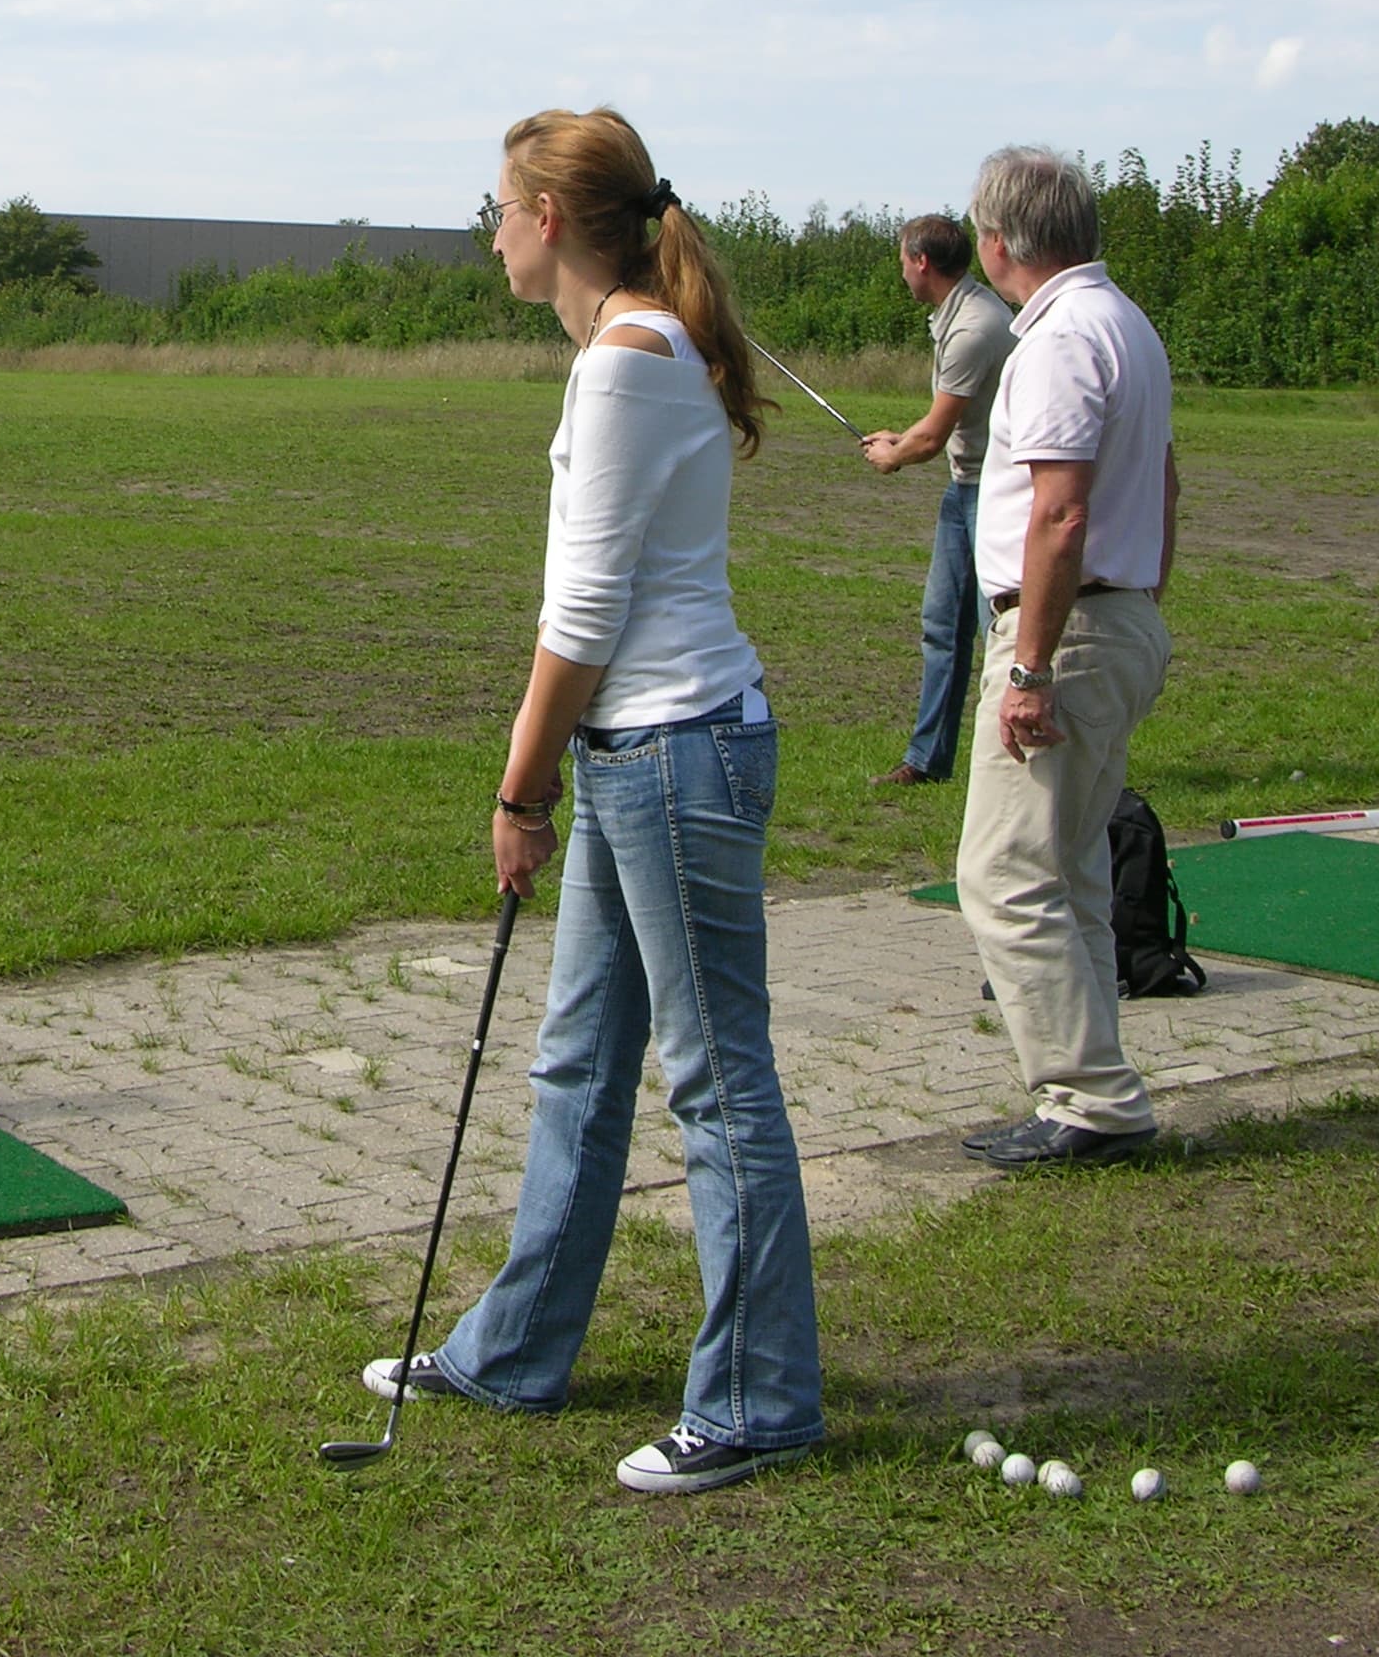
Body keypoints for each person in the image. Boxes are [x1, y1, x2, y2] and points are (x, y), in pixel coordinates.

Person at [360, 106, 823, 1495]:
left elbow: (584, 617)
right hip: (650, 755)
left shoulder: (624, 365)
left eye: (499, 204)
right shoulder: (630, 352)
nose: (490, 228)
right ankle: (516, 1351)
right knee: (578, 1061)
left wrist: (518, 787)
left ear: (550, 218)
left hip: (675, 752)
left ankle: (757, 1401)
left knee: (716, 1084)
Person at [954, 147, 1178, 1172]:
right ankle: (1100, 1088)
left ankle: (1089, 1099)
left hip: (1068, 628)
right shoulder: (1126, 322)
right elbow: (1165, 483)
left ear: (1000, 244)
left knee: (1003, 874)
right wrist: (1140, 595)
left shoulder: (1056, 340)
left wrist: (1034, 667)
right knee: (1073, 870)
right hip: (1116, 615)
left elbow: (1060, 508)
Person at [860, 215, 1015, 788]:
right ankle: (929, 762)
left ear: (922, 261)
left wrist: (895, 455)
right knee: (943, 625)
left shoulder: (974, 328)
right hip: (967, 487)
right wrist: (900, 439)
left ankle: (1007, 765)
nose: (901, 270)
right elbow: (942, 424)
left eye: (903, 259)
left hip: (995, 493)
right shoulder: (961, 314)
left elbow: (932, 437)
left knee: (1001, 633)